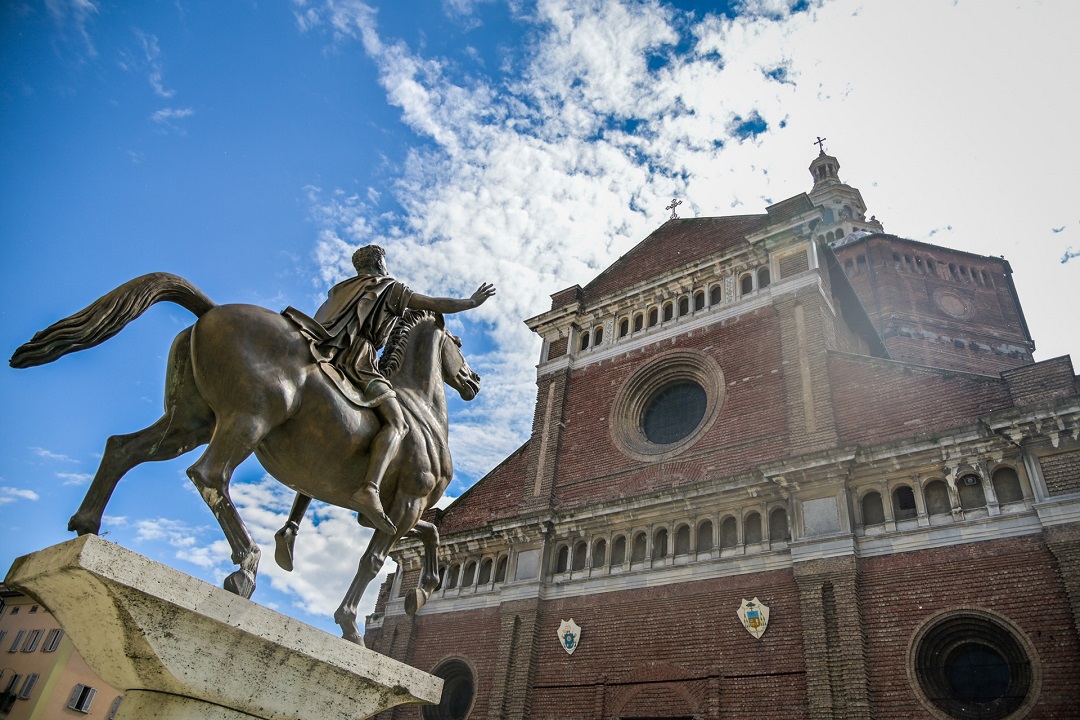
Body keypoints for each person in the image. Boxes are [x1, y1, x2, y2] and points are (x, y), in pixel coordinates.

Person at [275, 244, 494, 566]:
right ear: (380, 264)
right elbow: (434, 304)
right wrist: (471, 302)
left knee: (324, 432)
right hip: (358, 363)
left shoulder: (340, 290)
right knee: (398, 423)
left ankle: (292, 524)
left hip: (326, 360)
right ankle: (369, 488)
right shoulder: (386, 287)